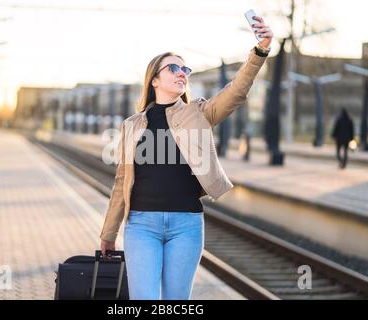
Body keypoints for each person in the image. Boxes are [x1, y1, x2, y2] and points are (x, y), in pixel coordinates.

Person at [99, 15, 273, 300]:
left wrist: (260, 50)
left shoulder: (199, 113)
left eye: (185, 68)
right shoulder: (132, 125)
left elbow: (237, 91)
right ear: (154, 79)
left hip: (186, 226)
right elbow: (121, 182)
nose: (182, 72)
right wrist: (109, 232)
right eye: (174, 68)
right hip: (141, 226)